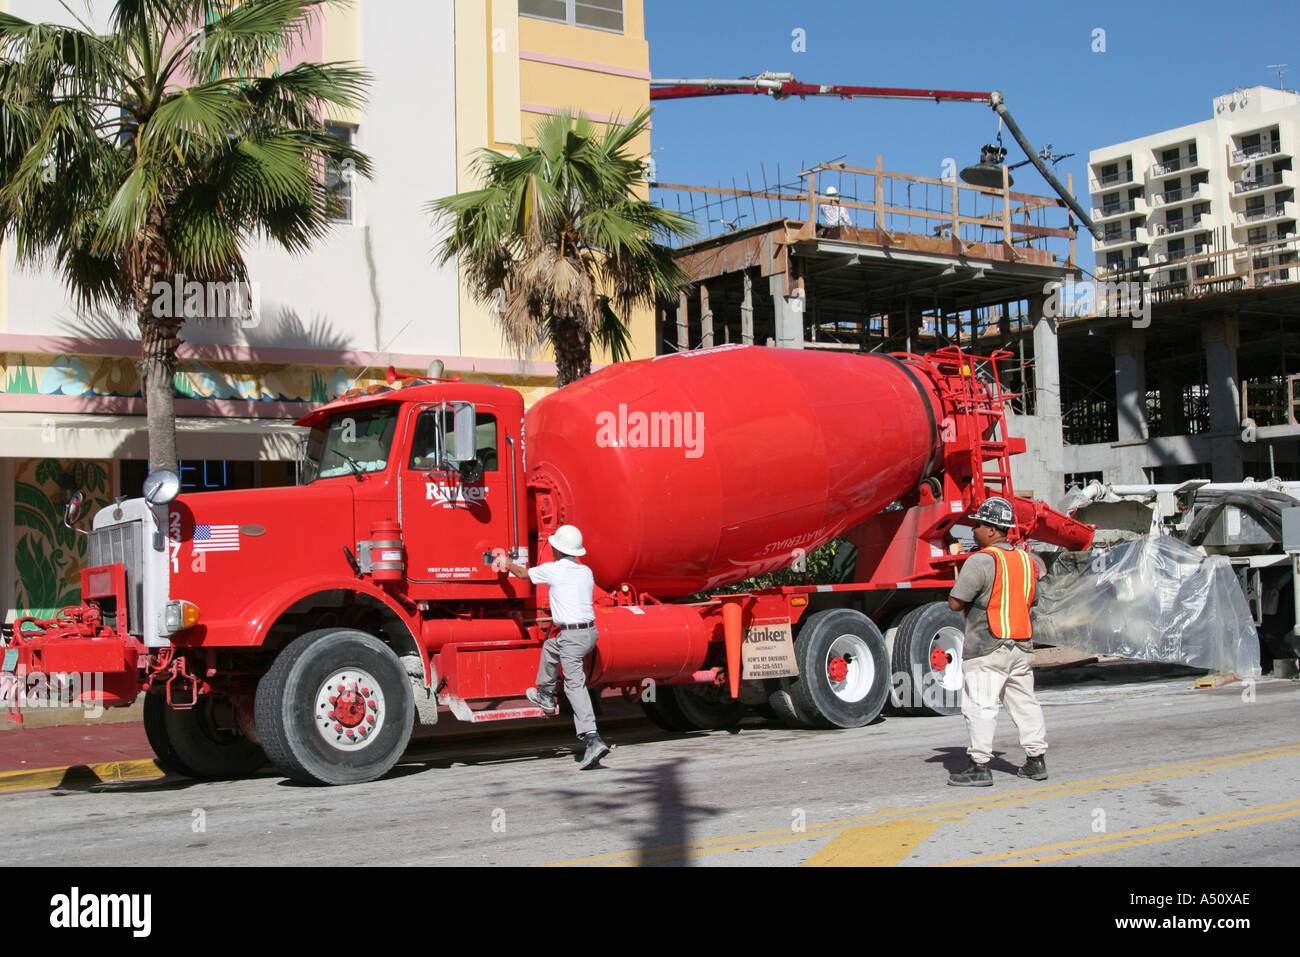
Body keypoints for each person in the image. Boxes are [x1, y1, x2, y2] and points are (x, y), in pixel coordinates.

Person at [945, 496, 1048, 787]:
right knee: (1024, 703)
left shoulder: (981, 560)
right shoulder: (1027, 561)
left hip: (988, 647)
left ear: (992, 530)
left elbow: (955, 603)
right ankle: (1035, 760)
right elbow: (1034, 599)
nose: (973, 530)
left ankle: (979, 765)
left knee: (980, 706)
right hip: (1021, 646)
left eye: (977, 525)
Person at [492, 525, 610, 770]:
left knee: (574, 684)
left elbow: (523, 574)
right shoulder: (586, 571)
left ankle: (592, 737)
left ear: (556, 549)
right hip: (589, 633)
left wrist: (505, 562)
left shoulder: (554, 570)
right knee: (550, 647)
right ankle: (545, 694)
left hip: (572, 636)